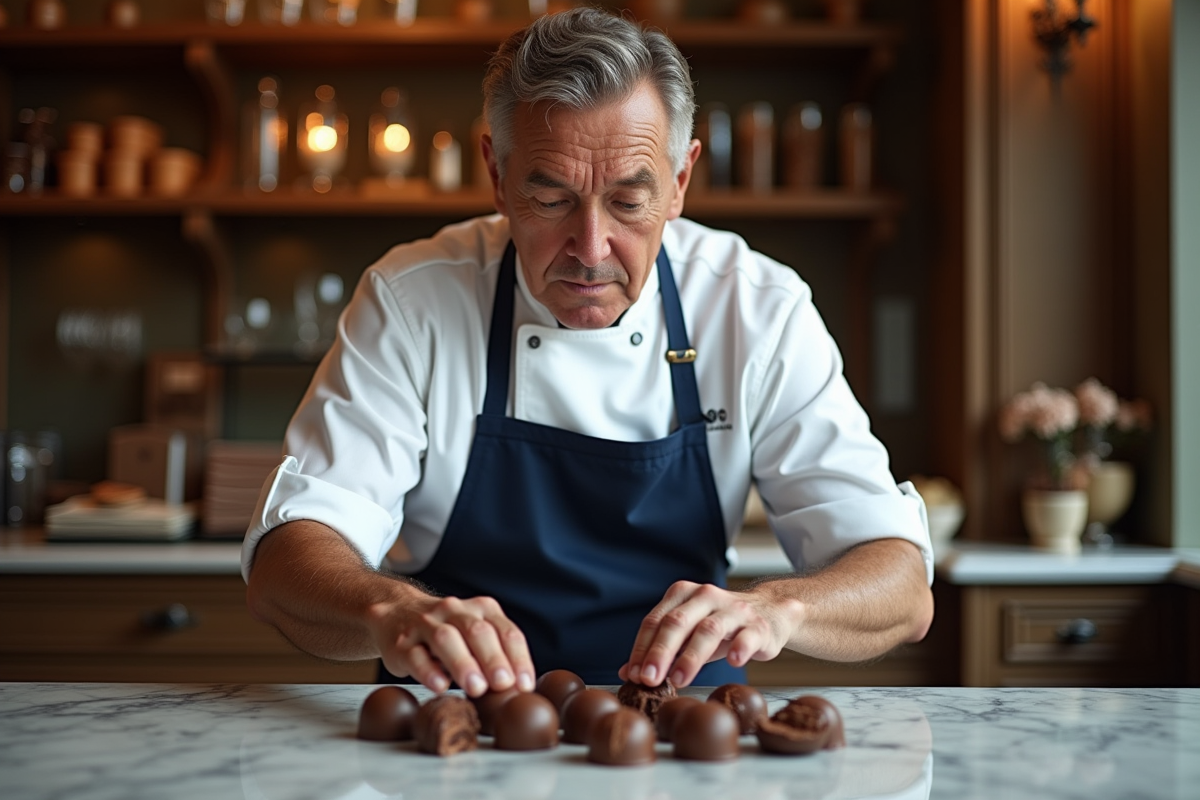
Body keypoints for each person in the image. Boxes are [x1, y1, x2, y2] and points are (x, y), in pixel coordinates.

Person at [242, 7, 933, 696]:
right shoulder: (411, 299)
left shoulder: (756, 308)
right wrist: (392, 610)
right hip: (455, 720)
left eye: (629, 203)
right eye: (552, 201)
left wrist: (779, 609)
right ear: (497, 174)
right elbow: (284, 562)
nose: (591, 249)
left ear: (680, 182)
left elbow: (902, 586)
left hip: (689, 725)